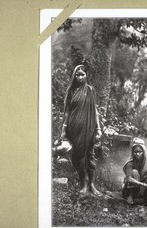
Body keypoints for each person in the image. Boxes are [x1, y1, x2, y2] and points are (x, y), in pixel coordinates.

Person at [60, 64, 102, 195]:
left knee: (90, 154)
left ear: (86, 75)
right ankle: (83, 183)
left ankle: (92, 185)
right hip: (74, 127)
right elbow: (67, 111)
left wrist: (98, 128)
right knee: (79, 155)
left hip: (89, 127)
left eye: (82, 74)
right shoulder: (71, 91)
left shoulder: (90, 90)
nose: (79, 77)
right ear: (74, 76)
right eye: (77, 74)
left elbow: (94, 110)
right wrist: (64, 128)